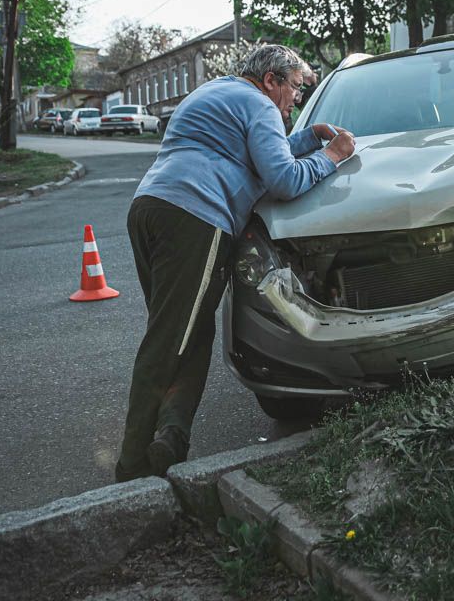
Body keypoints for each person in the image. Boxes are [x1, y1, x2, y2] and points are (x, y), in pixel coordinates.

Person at [114, 44, 355, 482]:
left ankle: (170, 441)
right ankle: (131, 470)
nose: (294, 101)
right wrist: (332, 156)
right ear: (271, 81)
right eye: (296, 89)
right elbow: (282, 179)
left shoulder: (216, 93)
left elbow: (250, 152)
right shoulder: (261, 105)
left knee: (188, 330)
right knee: (170, 340)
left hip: (149, 207)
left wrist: (305, 138)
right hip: (195, 216)